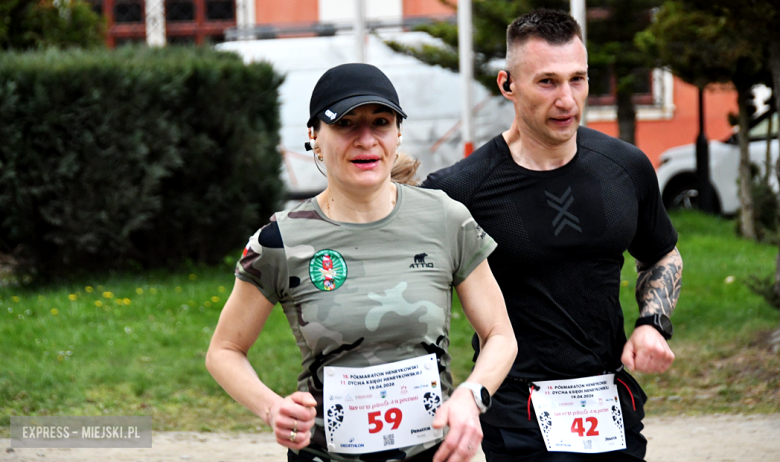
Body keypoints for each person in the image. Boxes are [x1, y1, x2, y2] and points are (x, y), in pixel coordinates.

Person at [206, 63, 517, 462]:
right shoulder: (280, 240)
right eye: (346, 124)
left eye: (381, 122)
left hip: (432, 453)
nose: (366, 139)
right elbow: (224, 350)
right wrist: (271, 407)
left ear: (398, 134)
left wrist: (472, 397)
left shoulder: (445, 218)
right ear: (315, 137)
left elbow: (500, 334)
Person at [422, 9, 683, 462]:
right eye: (547, 82)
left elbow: (662, 255)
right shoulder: (460, 189)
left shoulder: (625, 167)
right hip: (517, 408)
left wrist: (652, 324)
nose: (567, 99)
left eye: (577, 79)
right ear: (508, 85)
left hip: (609, 400)